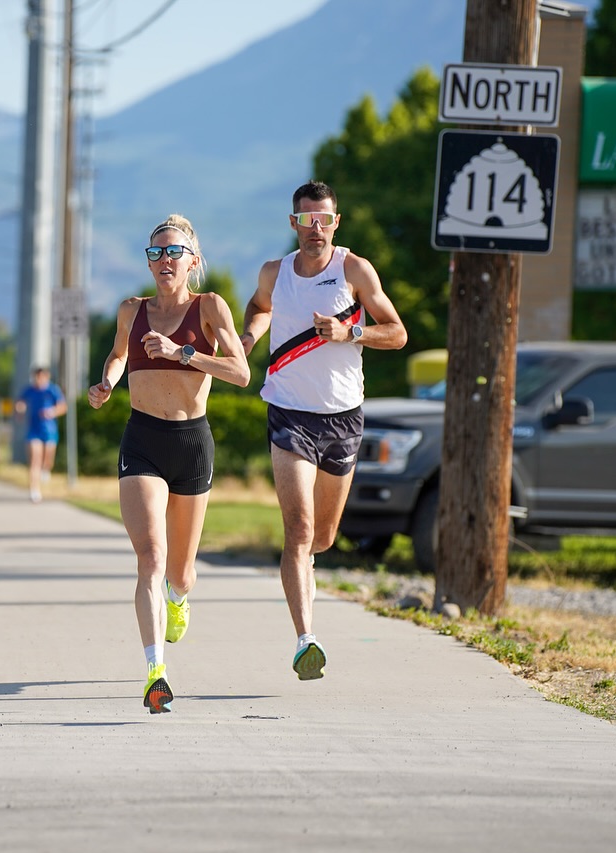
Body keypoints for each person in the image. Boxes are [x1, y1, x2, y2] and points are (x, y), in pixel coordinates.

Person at [240, 180, 407, 681]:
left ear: (336, 222)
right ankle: (305, 639)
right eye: (307, 220)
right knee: (299, 531)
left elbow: (396, 333)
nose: (316, 229)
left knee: (325, 537)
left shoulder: (353, 269)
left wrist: (350, 332)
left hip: (343, 417)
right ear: (294, 223)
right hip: (289, 412)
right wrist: (249, 335)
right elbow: (258, 307)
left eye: (325, 220)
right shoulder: (275, 272)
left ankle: (304, 574)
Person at [88, 213, 249, 713]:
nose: (163, 261)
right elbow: (118, 355)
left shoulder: (210, 307)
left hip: (191, 442)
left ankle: (179, 598)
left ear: (193, 261)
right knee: (150, 559)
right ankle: (156, 671)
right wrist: (109, 381)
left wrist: (184, 354)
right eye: (155, 253)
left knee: (180, 572)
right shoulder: (131, 311)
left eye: (173, 252)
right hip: (142, 440)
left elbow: (241, 372)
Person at [14, 366, 67, 503]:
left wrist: (52, 412)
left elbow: (62, 406)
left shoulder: (52, 390)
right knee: (34, 460)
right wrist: (20, 409)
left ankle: (46, 470)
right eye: (36, 377)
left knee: (47, 460)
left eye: (41, 377)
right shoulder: (30, 390)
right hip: (33, 430)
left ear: (46, 377)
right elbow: (20, 402)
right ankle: (34, 490)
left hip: (49, 430)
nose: (38, 380)